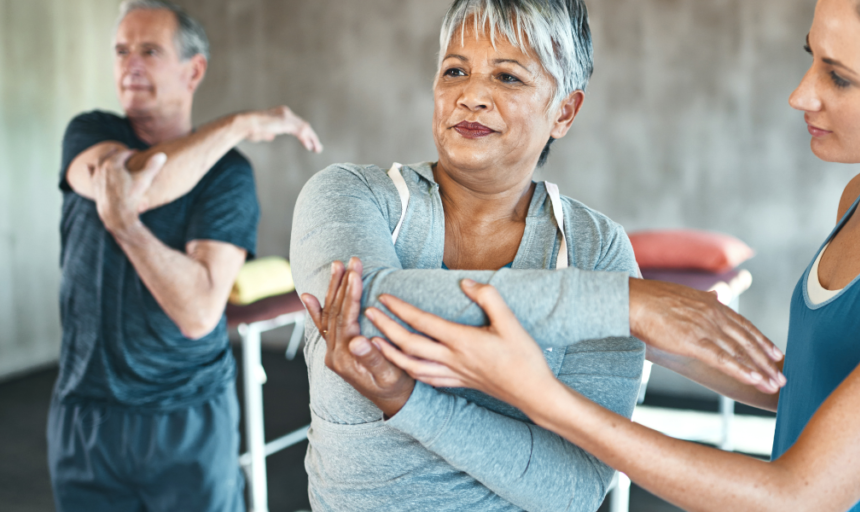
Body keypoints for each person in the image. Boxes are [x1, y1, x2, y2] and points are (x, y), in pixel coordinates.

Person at [353, 0, 860, 510]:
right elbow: (834, 391)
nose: (802, 93)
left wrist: (539, 395)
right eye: (811, 55)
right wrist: (644, 326)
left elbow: (797, 497)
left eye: (839, 77)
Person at [291, 0, 784, 510]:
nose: (471, 96)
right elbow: (366, 306)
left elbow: (575, 490)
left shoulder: (595, 249)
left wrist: (408, 400)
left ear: (564, 112)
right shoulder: (349, 194)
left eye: (508, 78)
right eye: (455, 71)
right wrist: (622, 305)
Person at [48, 1, 322, 511]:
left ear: (193, 70)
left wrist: (126, 228)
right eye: (121, 50)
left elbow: (198, 314)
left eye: (149, 50)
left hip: (185, 418)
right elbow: (134, 184)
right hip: (86, 415)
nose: (130, 63)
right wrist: (241, 122)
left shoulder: (227, 175)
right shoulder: (89, 133)